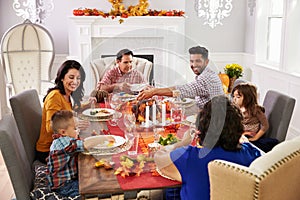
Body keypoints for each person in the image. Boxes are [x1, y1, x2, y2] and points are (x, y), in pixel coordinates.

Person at [154, 95, 262, 200]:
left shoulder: (190, 157)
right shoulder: (252, 153)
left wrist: (182, 143)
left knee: (170, 191)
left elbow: (159, 158)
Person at [47, 110, 114, 197]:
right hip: (64, 186)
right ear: (63, 132)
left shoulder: (61, 139)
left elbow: (77, 145)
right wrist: (104, 138)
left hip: (68, 180)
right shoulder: (63, 142)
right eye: (75, 128)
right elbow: (85, 144)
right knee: (97, 190)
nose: (77, 130)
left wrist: (92, 137)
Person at [36, 60, 89, 164]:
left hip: (65, 144)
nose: (75, 81)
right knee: (90, 156)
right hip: (50, 151)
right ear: (61, 77)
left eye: (78, 78)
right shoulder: (55, 96)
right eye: (71, 77)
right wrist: (75, 124)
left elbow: (69, 110)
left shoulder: (68, 95)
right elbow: (50, 128)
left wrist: (87, 104)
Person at [137, 46, 224, 109]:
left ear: (206, 62)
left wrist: (154, 91)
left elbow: (182, 90)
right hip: (204, 111)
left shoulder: (206, 78)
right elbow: (188, 90)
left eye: (198, 61)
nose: (193, 65)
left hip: (212, 119)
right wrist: (156, 89)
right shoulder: (206, 73)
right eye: (191, 61)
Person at [232, 83, 274, 152]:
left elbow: (265, 125)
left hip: (249, 135)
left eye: (238, 97)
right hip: (240, 132)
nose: (234, 99)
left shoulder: (255, 110)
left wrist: (256, 137)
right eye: (234, 96)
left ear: (247, 97)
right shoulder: (237, 108)